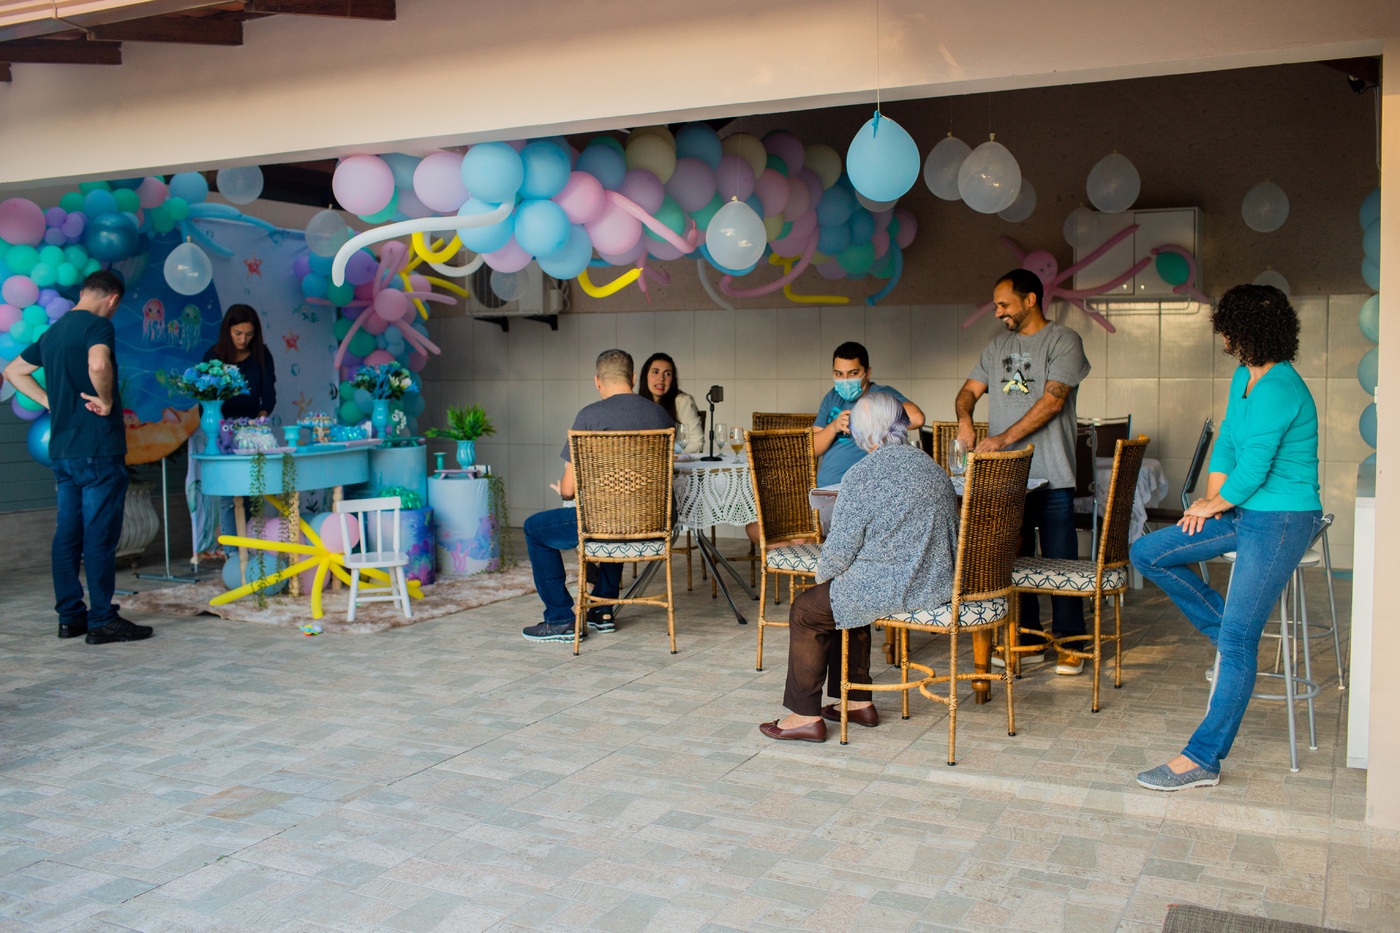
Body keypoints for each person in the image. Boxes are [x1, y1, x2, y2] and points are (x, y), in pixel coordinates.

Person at [1130, 285, 1321, 791]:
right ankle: (1227, 629)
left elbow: (1256, 467)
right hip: (1242, 508)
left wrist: (1213, 505)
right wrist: (1211, 502)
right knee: (1148, 551)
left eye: (1228, 329)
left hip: (1282, 518)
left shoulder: (1281, 387)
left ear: (1247, 330)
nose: (1224, 339)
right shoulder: (1244, 378)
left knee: (1239, 642)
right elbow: (1230, 447)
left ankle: (1203, 759)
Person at [760, 393, 958, 742]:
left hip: (898, 583)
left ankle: (804, 717)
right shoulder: (930, 465)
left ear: (859, 434)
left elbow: (839, 553)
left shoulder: (862, 474)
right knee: (844, 600)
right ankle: (856, 702)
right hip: (937, 580)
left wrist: (823, 581)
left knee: (807, 611)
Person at [2, 271, 153, 644]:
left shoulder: (53, 332)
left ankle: (70, 618)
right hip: (97, 449)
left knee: (67, 533)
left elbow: (13, 371)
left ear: (84, 292)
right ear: (113, 300)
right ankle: (102, 619)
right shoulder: (98, 326)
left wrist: (49, 401)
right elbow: (98, 364)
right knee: (99, 535)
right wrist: (106, 400)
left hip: (63, 451)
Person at [955, 269, 1091, 674]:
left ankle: (1072, 643)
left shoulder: (1063, 340)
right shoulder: (997, 346)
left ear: (1030, 299)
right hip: (1008, 479)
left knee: (1061, 563)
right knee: (1014, 561)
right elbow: (968, 390)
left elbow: (1053, 402)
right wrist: (965, 418)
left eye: (1004, 304)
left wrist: (1000, 440)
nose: (998, 312)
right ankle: (1028, 640)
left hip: (1053, 474)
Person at [522, 349, 675, 643]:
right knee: (617, 513)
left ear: (597, 381)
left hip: (607, 523)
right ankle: (602, 610)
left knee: (535, 529)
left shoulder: (589, 416)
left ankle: (560, 619)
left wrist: (563, 489)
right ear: (633, 378)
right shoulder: (660, 415)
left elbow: (569, 490)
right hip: (655, 522)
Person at [202, 305, 277, 558]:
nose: (243, 340)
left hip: (252, 431)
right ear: (227, 331)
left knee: (254, 491)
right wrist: (222, 430)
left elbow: (268, 394)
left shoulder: (262, 355)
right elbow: (205, 400)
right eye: (238, 334)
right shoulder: (213, 357)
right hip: (222, 432)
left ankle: (255, 550)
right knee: (229, 495)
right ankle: (233, 555)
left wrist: (260, 422)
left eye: (249, 334)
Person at [813, 341, 924, 487]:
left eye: (853, 373)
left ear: (868, 372)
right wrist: (833, 427)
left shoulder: (880, 395)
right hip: (824, 489)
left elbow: (917, 418)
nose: (845, 380)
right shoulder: (832, 396)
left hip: (862, 488)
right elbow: (812, 449)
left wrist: (868, 418)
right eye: (838, 374)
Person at [637, 352, 704, 454]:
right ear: (645, 376)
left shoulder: (682, 401)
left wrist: (666, 453)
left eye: (667, 374)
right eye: (655, 372)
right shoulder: (637, 403)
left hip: (675, 462)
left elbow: (697, 444)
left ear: (672, 379)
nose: (661, 378)